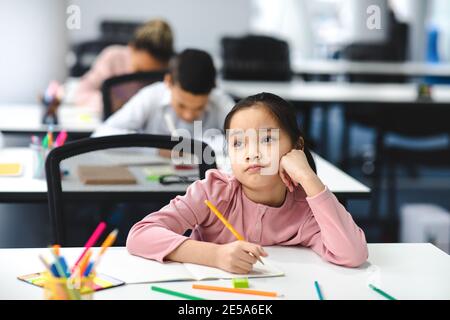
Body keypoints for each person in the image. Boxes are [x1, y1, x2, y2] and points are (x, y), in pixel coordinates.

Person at [126, 92, 368, 274]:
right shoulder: (213, 191)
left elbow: (353, 254)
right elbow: (140, 235)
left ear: (297, 147)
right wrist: (216, 255)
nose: (251, 153)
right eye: (238, 143)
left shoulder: (305, 207)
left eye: (265, 139)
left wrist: (308, 177)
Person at [92, 49, 234, 142]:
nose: (189, 115)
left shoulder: (219, 101)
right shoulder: (151, 96)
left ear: (213, 88)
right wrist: (154, 148)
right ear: (168, 82)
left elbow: (248, 139)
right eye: (182, 105)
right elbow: (102, 134)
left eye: (199, 107)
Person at [74, 19, 174, 110]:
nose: (142, 80)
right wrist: (109, 102)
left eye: (150, 76)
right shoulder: (112, 57)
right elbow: (81, 93)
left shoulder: (170, 70)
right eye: (139, 71)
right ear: (132, 48)